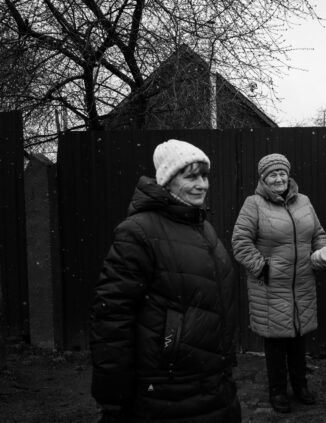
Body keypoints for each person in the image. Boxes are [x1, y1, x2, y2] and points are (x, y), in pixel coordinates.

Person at [90, 139, 241, 423]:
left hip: (214, 381)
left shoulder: (203, 227)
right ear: (168, 182)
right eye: (191, 176)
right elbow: (112, 317)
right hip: (167, 388)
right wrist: (113, 396)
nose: (202, 185)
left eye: (204, 176)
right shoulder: (138, 232)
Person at [231, 153, 326, 414]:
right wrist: (263, 267)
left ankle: (300, 386)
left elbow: (318, 234)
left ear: (289, 175)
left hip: (302, 283)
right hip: (271, 286)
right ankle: (277, 391)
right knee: (276, 343)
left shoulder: (304, 202)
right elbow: (240, 243)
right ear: (263, 179)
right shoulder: (253, 204)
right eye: (272, 175)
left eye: (282, 173)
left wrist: (321, 255)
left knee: (299, 337)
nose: (278, 178)